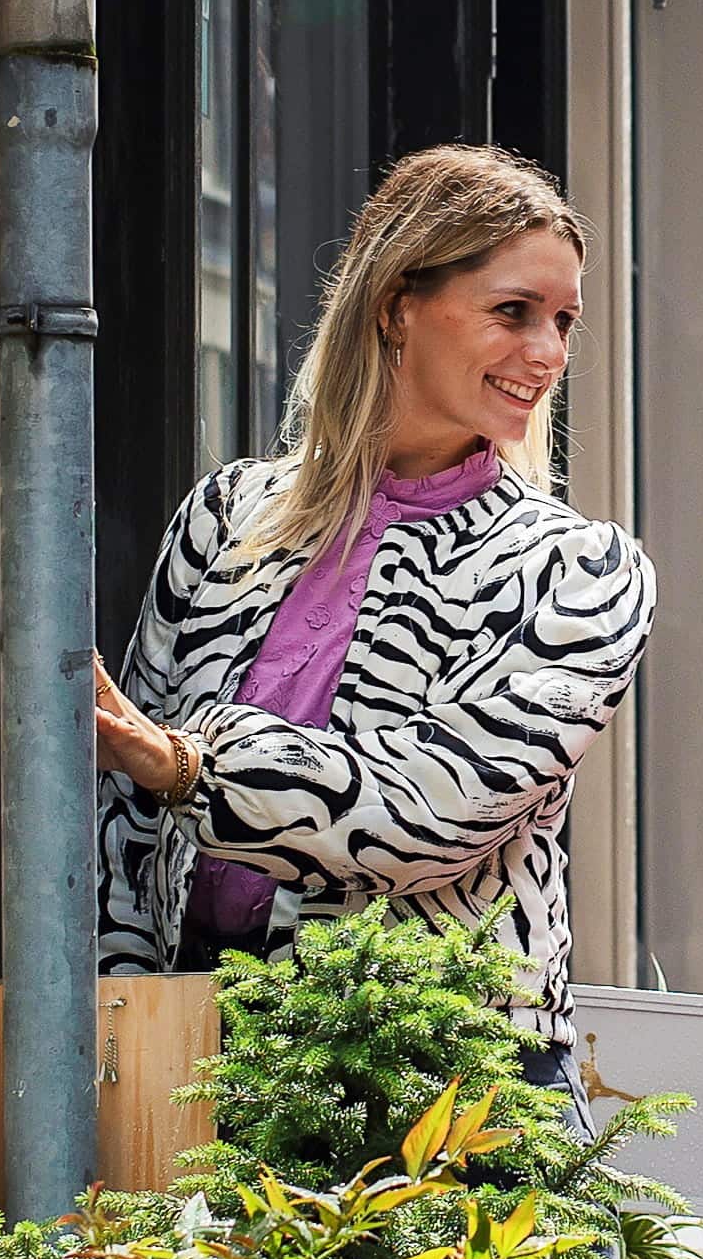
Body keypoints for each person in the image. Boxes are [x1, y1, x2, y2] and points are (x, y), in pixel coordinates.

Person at [94, 147, 653, 1036]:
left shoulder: (578, 573)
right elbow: (121, 816)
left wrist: (194, 770)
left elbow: (435, 810)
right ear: (398, 306)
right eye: (513, 312)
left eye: (563, 322)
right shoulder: (227, 516)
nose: (547, 353)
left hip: (442, 1089)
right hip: (191, 1059)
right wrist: (118, 1019)